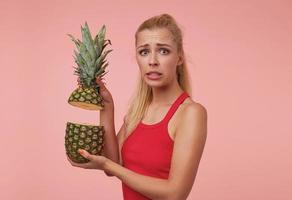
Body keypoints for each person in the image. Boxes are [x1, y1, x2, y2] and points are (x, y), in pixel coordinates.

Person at [67, 13, 207, 200]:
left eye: (163, 51)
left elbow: (175, 194)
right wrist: (107, 108)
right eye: (144, 51)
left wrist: (108, 166)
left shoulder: (191, 113)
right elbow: (113, 162)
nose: (152, 61)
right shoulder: (138, 110)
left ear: (179, 57)